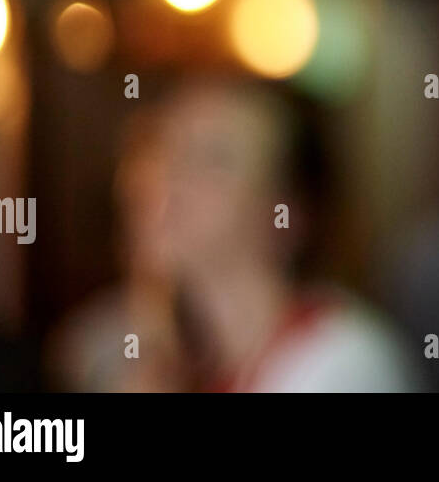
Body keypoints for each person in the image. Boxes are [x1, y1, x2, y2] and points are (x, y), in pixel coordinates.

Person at [49, 78, 417, 392]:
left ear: (286, 215)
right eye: (165, 152)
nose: (167, 181)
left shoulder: (344, 361)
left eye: (214, 160)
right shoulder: (107, 344)